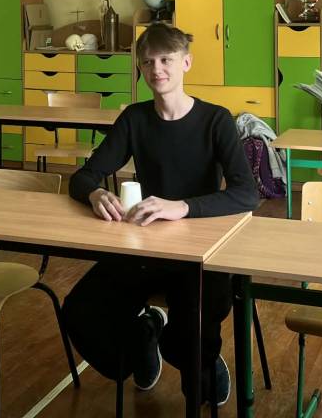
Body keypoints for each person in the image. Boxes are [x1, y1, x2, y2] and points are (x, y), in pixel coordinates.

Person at [62, 22, 259, 408]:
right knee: (80, 311)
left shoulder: (216, 120)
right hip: (146, 250)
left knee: (194, 332)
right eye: (148, 62)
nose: (157, 69)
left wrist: (182, 207)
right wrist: (96, 192)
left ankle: (199, 361)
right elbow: (83, 177)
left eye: (166, 59)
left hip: (202, 254)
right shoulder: (134, 119)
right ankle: (143, 339)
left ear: (186, 63)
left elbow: (246, 193)